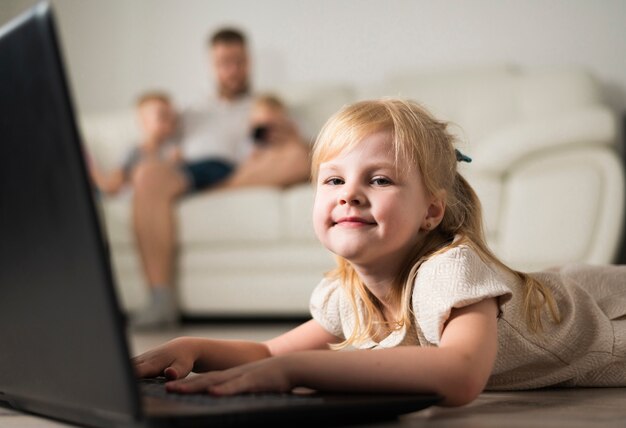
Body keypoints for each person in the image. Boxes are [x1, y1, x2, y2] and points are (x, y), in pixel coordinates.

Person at [132, 98, 626, 406]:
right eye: (333, 180)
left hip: (612, 318)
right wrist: (193, 348)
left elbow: (460, 374)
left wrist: (297, 371)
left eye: (380, 179)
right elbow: (266, 352)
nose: (349, 193)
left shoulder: (448, 270)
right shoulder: (347, 293)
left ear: (430, 212)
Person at [129, 27, 255, 330]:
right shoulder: (191, 111)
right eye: (224, 62)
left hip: (233, 170)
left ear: (248, 61)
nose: (232, 70)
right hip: (189, 171)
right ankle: (160, 299)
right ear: (212, 65)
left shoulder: (261, 106)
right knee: (146, 175)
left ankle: (219, 187)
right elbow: (160, 145)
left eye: (238, 61)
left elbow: (294, 153)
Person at [88, 90, 180, 195]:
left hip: (160, 186)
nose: (170, 121)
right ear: (143, 121)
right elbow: (116, 180)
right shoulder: (134, 151)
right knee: (111, 185)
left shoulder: (173, 149)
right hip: (133, 186)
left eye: (173, 117)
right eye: (162, 116)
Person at [218, 93, 311, 189]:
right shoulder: (249, 142)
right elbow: (243, 164)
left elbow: (305, 152)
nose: (268, 133)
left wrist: (293, 138)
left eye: (273, 126)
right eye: (262, 128)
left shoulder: (293, 133)